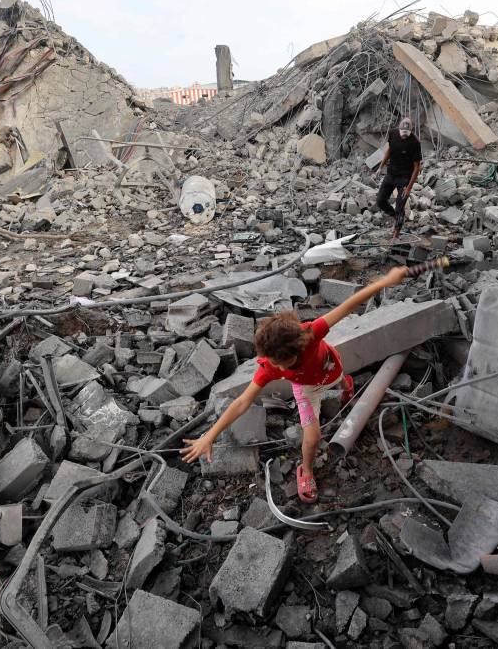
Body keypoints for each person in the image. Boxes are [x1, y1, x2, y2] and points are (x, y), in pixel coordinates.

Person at [180, 266, 411, 502]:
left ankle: (345, 387)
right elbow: (242, 402)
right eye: (272, 362)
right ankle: (307, 470)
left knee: (342, 381)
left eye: (283, 363)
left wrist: (386, 280)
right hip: (306, 389)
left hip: (331, 368)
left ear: (298, 348)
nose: (277, 369)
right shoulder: (269, 366)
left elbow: (349, 304)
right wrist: (209, 436)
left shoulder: (310, 334)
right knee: (312, 436)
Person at [375, 117, 422, 238]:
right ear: (399, 129)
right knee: (380, 201)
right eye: (402, 133)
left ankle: (395, 236)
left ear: (411, 131)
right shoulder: (393, 133)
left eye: (407, 134)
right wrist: (381, 166)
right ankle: (395, 216)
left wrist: (409, 188)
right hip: (391, 174)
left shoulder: (415, 143)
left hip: (405, 178)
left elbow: (417, 167)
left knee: (400, 206)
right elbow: (389, 150)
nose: (404, 136)